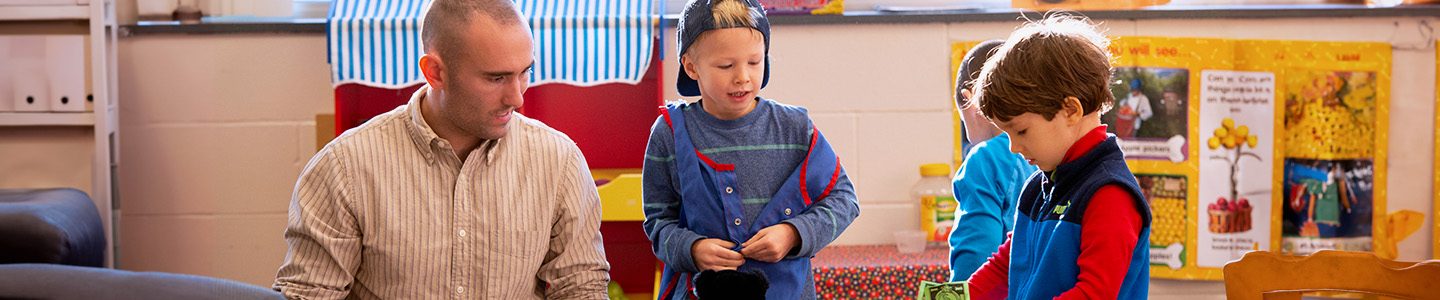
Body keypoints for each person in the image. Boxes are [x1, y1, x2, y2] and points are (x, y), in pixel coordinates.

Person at [272, 0, 610, 298]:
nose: (517, 98)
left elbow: (581, 289)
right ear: (435, 72)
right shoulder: (343, 169)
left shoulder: (558, 162)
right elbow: (309, 295)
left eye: (525, 72)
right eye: (496, 79)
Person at [641, 0, 860, 299]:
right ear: (691, 67)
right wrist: (691, 249)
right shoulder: (669, 132)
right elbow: (657, 222)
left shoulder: (796, 127)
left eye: (755, 62)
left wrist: (794, 234)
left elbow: (844, 200)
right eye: (726, 66)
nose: (742, 76)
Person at [964, 14, 1153, 300]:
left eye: (1022, 131)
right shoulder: (1038, 187)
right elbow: (1006, 265)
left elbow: (1094, 293)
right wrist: (951, 297)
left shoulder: (1110, 195)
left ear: (1070, 111)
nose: (1013, 147)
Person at [946, 39, 1040, 281]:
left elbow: (974, 258)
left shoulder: (984, 159)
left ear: (971, 102)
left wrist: (956, 295)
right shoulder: (1047, 150)